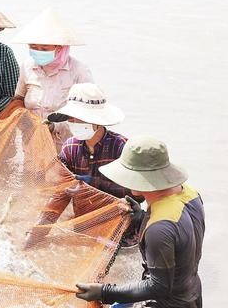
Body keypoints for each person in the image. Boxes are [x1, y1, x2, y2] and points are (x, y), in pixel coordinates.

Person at [76, 136, 205, 308]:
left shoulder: (159, 229)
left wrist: (105, 292)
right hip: (192, 299)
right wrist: (140, 218)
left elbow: (158, 286)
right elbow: (180, 243)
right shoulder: (190, 194)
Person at [23, 83, 143, 248]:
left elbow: (141, 194)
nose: (72, 122)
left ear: (96, 121)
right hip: (85, 230)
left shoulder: (122, 148)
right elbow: (60, 195)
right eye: (71, 117)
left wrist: (126, 201)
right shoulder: (70, 149)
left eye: (79, 118)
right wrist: (35, 235)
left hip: (122, 234)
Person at [12, 7, 92, 144]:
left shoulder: (79, 71)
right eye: (33, 47)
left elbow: (88, 113)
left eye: (44, 49)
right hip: (32, 140)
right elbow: (18, 99)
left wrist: (55, 126)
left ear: (59, 47)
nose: (38, 51)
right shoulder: (27, 67)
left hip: (66, 143)